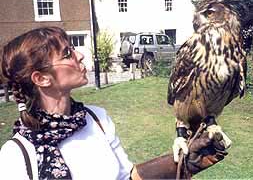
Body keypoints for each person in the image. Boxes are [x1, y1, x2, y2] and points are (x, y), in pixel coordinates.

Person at [0, 27, 227, 180]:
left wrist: (183, 164)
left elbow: (126, 177)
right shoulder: (16, 155)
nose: (79, 55)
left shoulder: (96, 118)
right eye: (67, 53)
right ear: (41, 78)